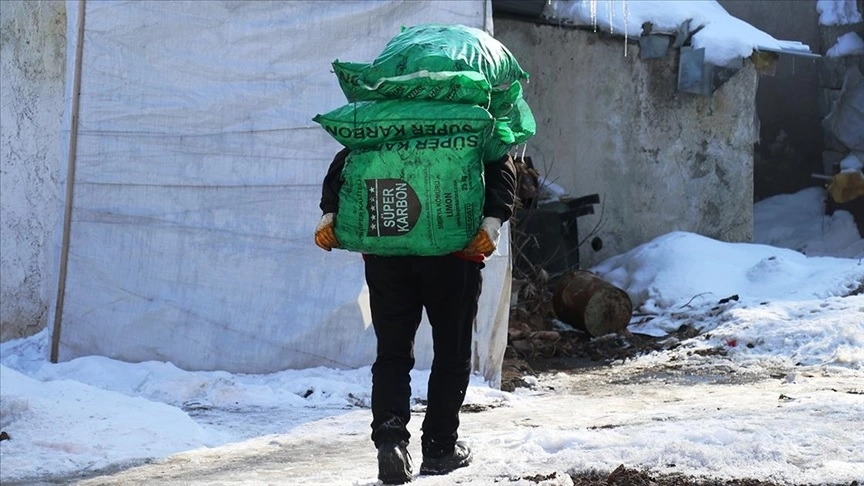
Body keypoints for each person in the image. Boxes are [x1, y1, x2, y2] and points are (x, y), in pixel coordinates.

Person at [314, 146, 517, 484]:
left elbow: (346, 163)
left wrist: (330, 212)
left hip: (387, 256)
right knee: (452, 352)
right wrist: (494, 217)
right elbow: (499, 162)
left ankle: (391, 440)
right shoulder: (466, 113)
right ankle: (439, 449)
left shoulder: (385, 113)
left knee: (392, 352)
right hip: (453, 256)